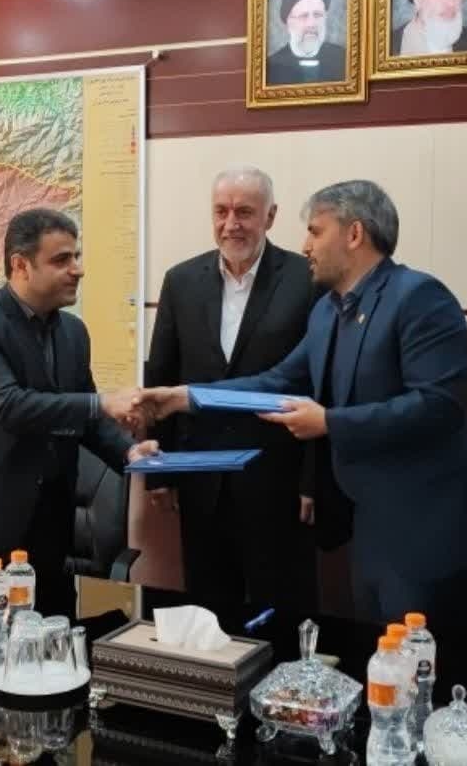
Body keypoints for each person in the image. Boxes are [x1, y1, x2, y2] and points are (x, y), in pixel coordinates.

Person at [142, 181, 467, 627]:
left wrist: (330, 422)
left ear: (354, 234)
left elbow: (437, 406)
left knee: (419, 659)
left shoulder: (419, 297)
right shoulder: (329, 310)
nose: (305, 246)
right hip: (370, 521)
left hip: (429, 524)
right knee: (378, 651)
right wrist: (185, 397)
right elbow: (278, 381)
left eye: (315, 231)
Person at [0, 207, 157, 616]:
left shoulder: (73, 332)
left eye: (77, 257)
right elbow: (8, 406)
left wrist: (130, 451)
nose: (77, 269)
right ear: (20, 265)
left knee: (47, 631)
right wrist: (103, 402)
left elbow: (84, 417)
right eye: (61, 260)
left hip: (47, 522)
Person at [144, 166, 321, 614]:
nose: (231, 224)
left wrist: (314, 479)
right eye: (221, 211)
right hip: (201, 478)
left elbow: (322, 385)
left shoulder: (307, 279)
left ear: (271, 216)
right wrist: (160, 471)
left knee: (281, 609)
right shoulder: (181, 280)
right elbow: (162, 375)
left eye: (244, 212)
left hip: (277, 480)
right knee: (208, 609)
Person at [265, 0, 346, 86]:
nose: (311, 24)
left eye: (317, 15)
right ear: (288, 23)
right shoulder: (271, 67)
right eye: (303, 16)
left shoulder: (342, 58)